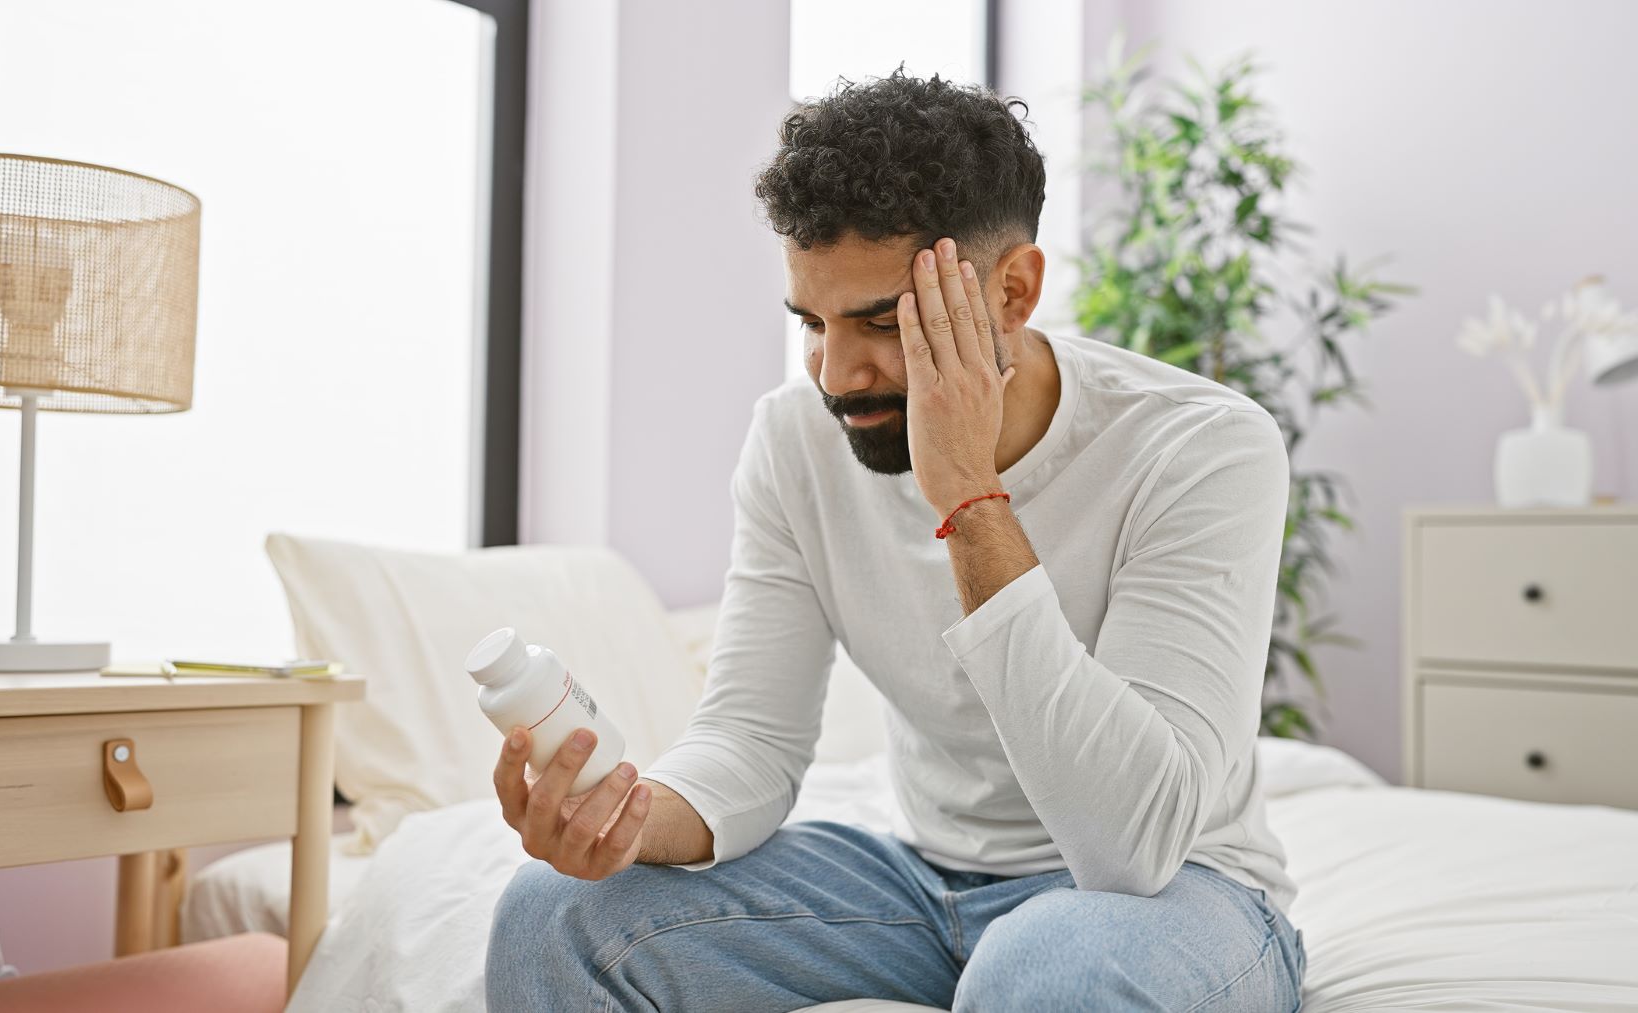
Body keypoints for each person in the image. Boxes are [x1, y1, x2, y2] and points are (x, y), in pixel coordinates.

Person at [485, 70, 1307, 1012]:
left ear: (1014, 290)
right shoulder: (795, 441)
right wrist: (628, 822)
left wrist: (967, 493)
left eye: (881, 323)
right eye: (811, 324)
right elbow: (752, 737)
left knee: (1044, 966)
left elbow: (1136, 839)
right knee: (556, 909)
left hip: (1176, 894)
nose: (837, 374)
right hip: (921, 891)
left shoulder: (1200, 446)